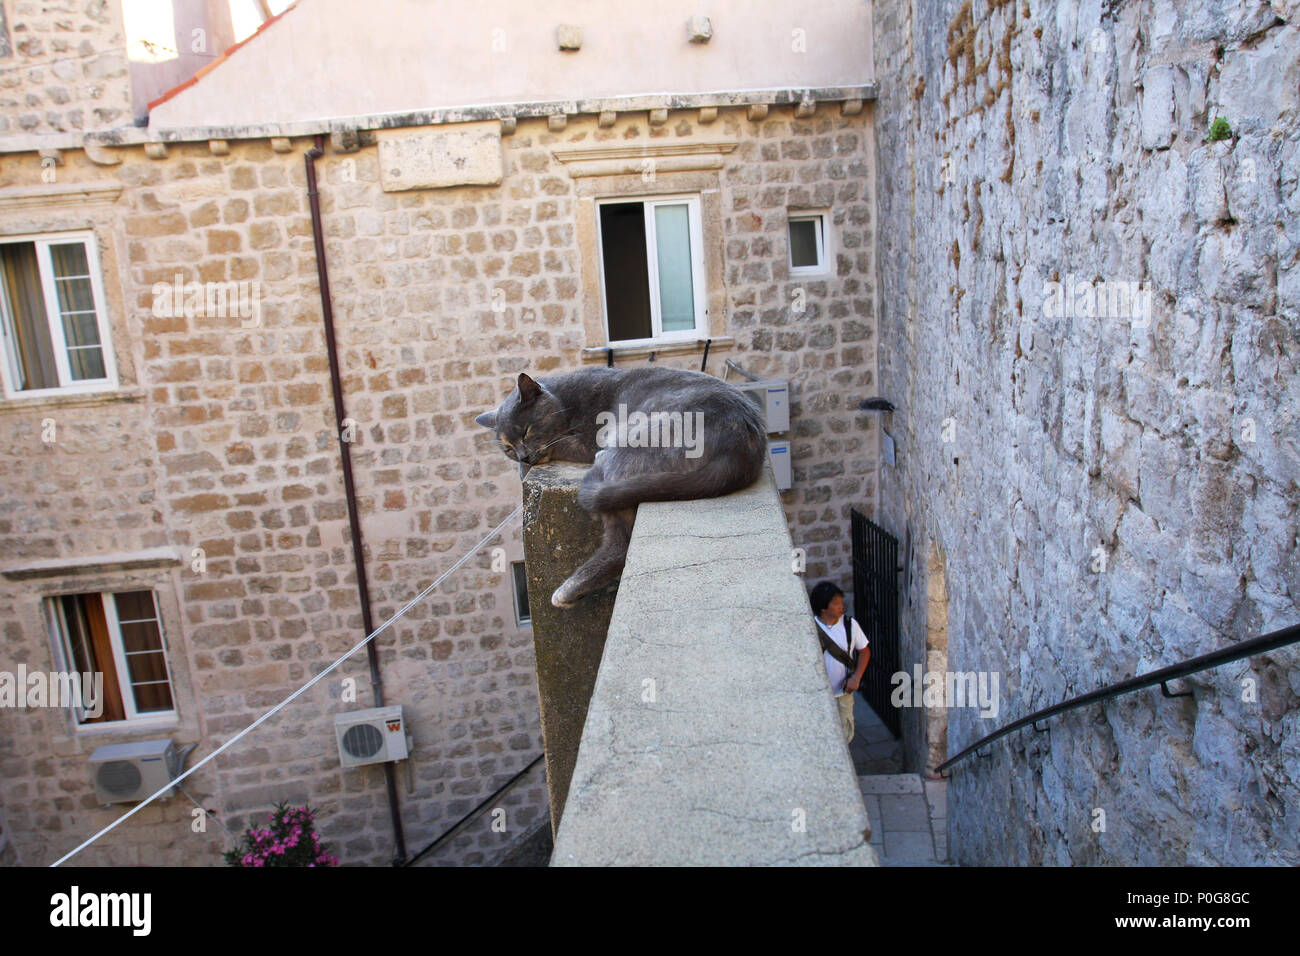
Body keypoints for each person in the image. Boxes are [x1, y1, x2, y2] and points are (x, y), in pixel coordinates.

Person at [809, 581, 870, 744]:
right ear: (823, 608)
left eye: (840, 602)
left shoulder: (850, 625)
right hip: (818, 696)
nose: (841, 606)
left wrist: (856, 677)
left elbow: (864, 652)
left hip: (843, 694)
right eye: (835, 603)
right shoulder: (809, 628)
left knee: (845, 736)